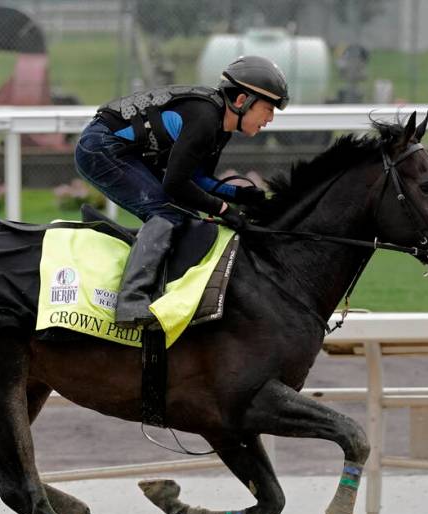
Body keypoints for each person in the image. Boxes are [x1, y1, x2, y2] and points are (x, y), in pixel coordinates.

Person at [75, 55, 289, 328]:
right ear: (241, 101)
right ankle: (131, 302)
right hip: (101, 146)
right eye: (268, 108)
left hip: (122, 150)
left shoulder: (219, 126)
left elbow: (197, 179)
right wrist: (225, 210)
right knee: (167, 213)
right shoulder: (205, 119)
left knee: (186, 216)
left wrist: (239, 196)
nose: (270, 118)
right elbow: (175, 184)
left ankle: (155, 276)